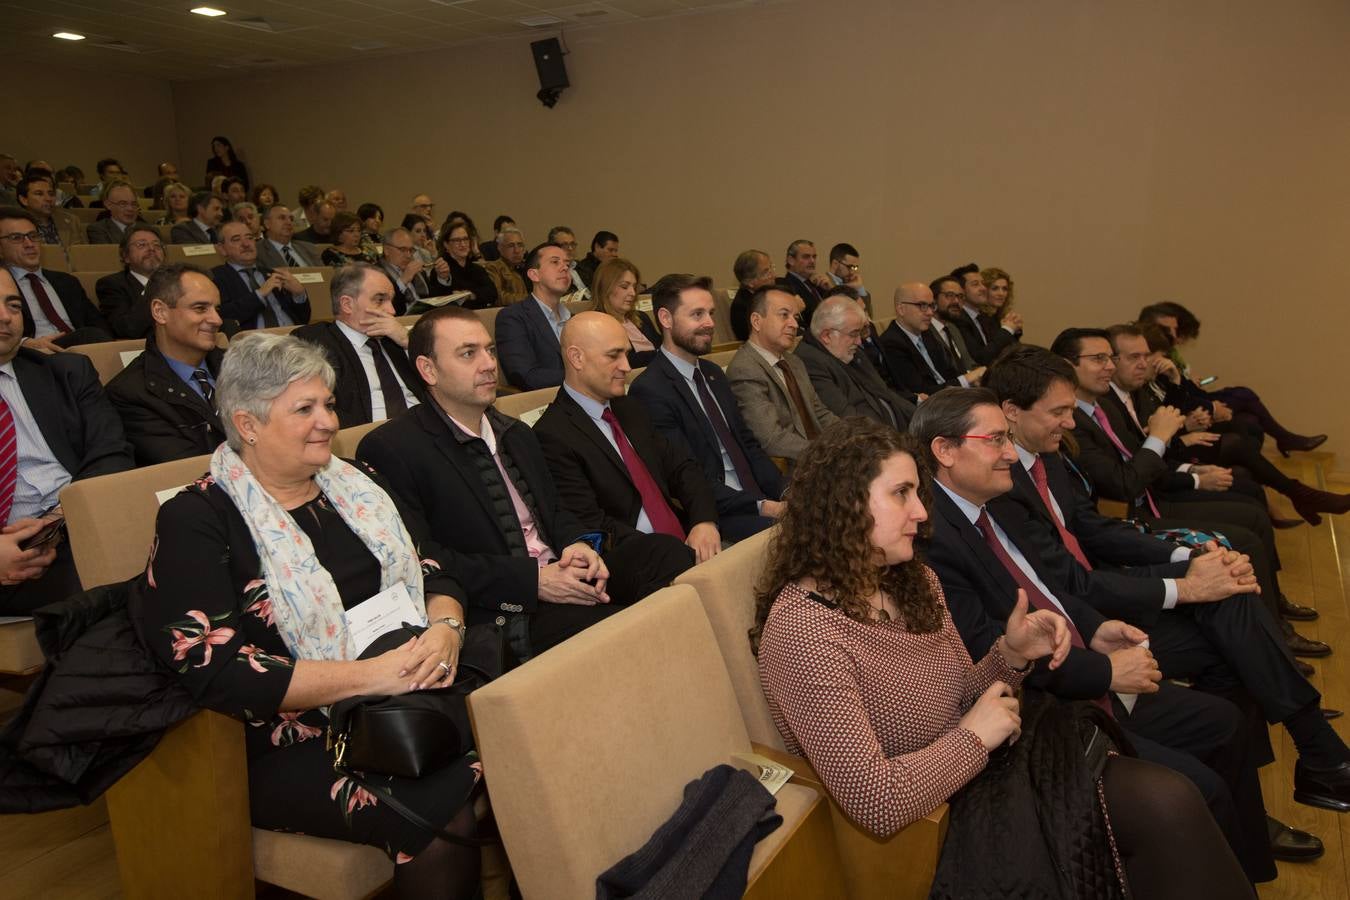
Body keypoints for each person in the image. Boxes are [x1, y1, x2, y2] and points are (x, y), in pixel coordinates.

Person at [754, 417, 1252, 898]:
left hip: (994, 764)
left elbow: (962, 694)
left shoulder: (910, 583)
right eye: (900, 493)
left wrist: (1010, 655)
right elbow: (877, 803)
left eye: (916, 493)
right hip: (944, 817)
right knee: (1167, 805)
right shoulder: (805, 634)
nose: (922, 512)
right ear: (843, 506)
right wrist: (974, 737)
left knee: (1174, 800)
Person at [131, 332, 481, 898]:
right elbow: (216, 670)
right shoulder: (197, 519)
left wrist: (446, 628)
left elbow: (431, 569)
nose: (327, 422)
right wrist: (376, 676)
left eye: (329, 405)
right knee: (442, 811)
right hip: (290, 737)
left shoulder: (353, 482)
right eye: (304, 409)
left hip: (407, 690)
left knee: (526, 731)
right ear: (247, 424)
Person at [909, 389, 1281, 884]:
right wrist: (1106, 670)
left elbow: (1055, 585)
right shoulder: (934, 541)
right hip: (1043, 710)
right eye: (995, 439)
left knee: (1226, 721)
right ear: (945, 450)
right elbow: (991, 652)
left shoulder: (998, 502)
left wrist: (1096, 628)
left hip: (1083, 659)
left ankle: (1246, 863)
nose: (1008, 451)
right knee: (1196, 789)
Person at [985, 346, 1350, 841]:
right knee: (1229, 621)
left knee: (1231, 604)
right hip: (1086, 620)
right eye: (1060, 412)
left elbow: (1091, 528)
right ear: (1011, 410)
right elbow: (1070, 582)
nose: (1072, 423)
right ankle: (1313, 756)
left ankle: (1286, 771)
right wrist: (1184, 586)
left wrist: (1188, 562)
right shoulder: (1000, 481)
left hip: (1102, 597)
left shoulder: (1045, 456)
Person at [358, 306, 690, 660]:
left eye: (490, 350)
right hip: (503, 605)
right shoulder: (393, 449)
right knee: (618, 628)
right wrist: (533, 581)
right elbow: (426, 560)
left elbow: (558, 512)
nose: (488, 364)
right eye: (468, 354)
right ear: (428, 369)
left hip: (559, 569)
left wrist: (579, 546)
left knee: (667, 554)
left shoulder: (516, 433)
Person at [1051, 326, 1327, 659]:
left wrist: (1187, 467)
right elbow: (1124, 484)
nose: (1110, 366)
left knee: (1249, 505)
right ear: (1066, 366)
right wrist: (1165, 439)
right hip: (1131, 517)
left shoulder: (1102, 407)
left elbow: (1142, 463)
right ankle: (1273, 640)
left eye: (1111, 358)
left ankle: (1274, 619)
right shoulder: (1077, 419)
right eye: (1101, 359)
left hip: (1146, 500)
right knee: (1243, 536)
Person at [1107, 323, 1350, 526]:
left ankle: (1296, 494)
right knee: (1238, 443)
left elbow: (1170, 417)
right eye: (1136, 357)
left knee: (1245, 433)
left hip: (1170, 459)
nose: (1145, 363)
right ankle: (1298, 493)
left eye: (1146, 356)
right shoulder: (1126, 393)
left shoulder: (1141, 387)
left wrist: (1176, 381)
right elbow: (1151, 443)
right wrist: (1185, 438)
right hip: (1163, 474)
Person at [535, 312, 720, 569]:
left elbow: (683, 467)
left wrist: (703, 522)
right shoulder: (552, 434)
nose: (626, 366)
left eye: (626, 353)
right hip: (634, 561)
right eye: (613, 356)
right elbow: (592, 524)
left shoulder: (628, 408)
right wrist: (670, 552)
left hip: (682, 538)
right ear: (577, 358)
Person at [0, 268, 133, 614]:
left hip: (80, 523)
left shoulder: (67, 372)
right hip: (15, 558)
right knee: (120, 589)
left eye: (13, 305)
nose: (5, 316)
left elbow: (112, 452)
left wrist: (62, 517)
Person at [630, 274, 785, 542]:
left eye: (711, 313)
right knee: (801, 536)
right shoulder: (650, 390)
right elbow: (685, 477)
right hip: (719, 513)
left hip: (760, 497)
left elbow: (748, 445)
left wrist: (786, 492)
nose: (710, 323)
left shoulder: (712, 373)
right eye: (697, 314)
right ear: (666, 319)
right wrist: (764, 507)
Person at [1138, 301, 1327, 456]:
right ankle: (1283, 443)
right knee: (1244, 404)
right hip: (1185, 420)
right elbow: (1170, 402)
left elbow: (1183, 389)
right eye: (1168, 330)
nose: (1174, 336)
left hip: (1190, 408)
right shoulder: (1152, 360)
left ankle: (1270, 462)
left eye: (1175, 330)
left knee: (1250, 419)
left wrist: (1186, 382)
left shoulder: (1168, 356)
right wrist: (1210, 408)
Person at [106, 264, 227, 464]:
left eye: (217, 309)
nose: (217, 319)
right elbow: (188, 469)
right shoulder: (130, 394)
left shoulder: (241, 365)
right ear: (160, 312)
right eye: (200, 308)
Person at [292, 264, 423, 427]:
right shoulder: (314, 341)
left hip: (427, 429)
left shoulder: (397, 339)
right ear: (347, 304)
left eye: (391, 300)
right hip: (368, 438)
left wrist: (408, 342)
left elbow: (444, 382)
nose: (392, 310)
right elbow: (321, 410)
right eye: (380, 300)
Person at [726, 285, 838, 463]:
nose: (794, 324)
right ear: (756, 321)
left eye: (795, 317)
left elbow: (820, 413)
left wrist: (853, 435)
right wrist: (825, 453)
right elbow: (771, 439)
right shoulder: (745, 369)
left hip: (821, 456)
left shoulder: (794, 362)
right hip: (797, 467)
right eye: (784, 315)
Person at [0, 208, 111, 350]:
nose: (29, 244)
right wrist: (23, 343)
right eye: (16, 238)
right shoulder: (2, 284)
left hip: (79, 349)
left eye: (33, 236)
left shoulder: (67, 282)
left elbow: (98, 324)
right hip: (32, 353)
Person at [798, 295, 915, 429]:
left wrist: (923, 419)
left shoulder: (850, 351)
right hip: (875, 441)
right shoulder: (811, 363)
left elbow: (886, 393)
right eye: (853, 334)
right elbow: (848, 419)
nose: (859, 342)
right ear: (827, 336)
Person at [879, 282, 986, 398]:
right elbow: (920, 392)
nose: (930, 312)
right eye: (922, 306)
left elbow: (949, 372)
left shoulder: (927, 334)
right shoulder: (891, 343)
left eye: (932, 306)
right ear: (901, 309)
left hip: (950, 398)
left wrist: (971, 379)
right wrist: (966, 380)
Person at [495, 242, 572, 390]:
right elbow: (526, 376)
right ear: (534, 275)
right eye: (555, 262)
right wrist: (582, 378)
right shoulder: (513, 318)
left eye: (567, 264)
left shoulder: (575, 319)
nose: (565, 268)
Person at [212, 221, 311, 330]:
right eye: (236, 239)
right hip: (254, 341)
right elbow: (222, 316)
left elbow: (303, 319)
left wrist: (299, 294)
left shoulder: (273, 274)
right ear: (222, 249)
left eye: (249, 238)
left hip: (292, 335)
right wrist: (260, 294)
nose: (246, 244)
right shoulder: (216, 277)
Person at [96, 224, 164, 339]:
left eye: (157, 245)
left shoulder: (177, 281)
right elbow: (127, 329)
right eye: (142, 245)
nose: (152, 249)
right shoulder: (111, 284)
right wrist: (152, 288)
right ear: (125, 256)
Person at [943, 263, 1019, 365]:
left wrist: (1013, 330)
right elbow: (981, 358)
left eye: (983, 283)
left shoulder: (982, 317)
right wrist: (1007, 329)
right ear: (961, 291)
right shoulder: (958, 319)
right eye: (975, 284)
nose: (983, 288)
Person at [590, 258, 660, 368]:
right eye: (624, 286)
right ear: (605, 288)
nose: (632, 293)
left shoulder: (642, 317)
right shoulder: (596, 326)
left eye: (634, 287)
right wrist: (657, 354)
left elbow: (664, 349)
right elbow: (623, 362)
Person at [428, 221, 497, 309]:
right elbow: (439, 301)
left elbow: (492, 293)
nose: (463, 244)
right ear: (446, 245)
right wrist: (443, 279)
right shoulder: (440, 270)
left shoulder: (477, 269)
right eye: (457, 240)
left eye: (465, 239)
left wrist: (470, 295)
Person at [17, 173, 84, 250]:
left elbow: (84, 255)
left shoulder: (72, 221)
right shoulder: (15, 226)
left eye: (51, 194)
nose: (48, 199)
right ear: (24, 200)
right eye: (39, 194)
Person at [930, 275, 980, 372]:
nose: (956, 301)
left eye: (960, 296)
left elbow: (969, 363)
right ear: (933, 299)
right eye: (950, 295)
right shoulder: (924, 331)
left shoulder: (953, 328)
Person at [776, 239, 831, 323]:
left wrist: (829, 290)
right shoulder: (785, 287)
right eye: (806, 257)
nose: (812, 261)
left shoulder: (816, 284)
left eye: (814, 257)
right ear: (791, 260)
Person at [378, 227, 429, 315]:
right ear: (386, 250)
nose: (408, 255)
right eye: (403, 250)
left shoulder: (415, 269)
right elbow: (385, 308)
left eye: (411, 250)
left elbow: (432, 297)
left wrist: (441, 277)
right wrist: (403, 281)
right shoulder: (377, 273)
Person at [729, 249, 775, 341]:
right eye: (766, 272)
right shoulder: (742, 307)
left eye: (771, 268)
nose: (773, 275)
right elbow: (764, 336)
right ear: (749, 282)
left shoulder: (767, 295)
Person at [257, 205, 322, 269]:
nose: (289, 222)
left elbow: (325, 274)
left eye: (291, 219)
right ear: (267, 224)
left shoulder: (309, 248)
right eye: (282, 218)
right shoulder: (258, 251)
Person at [482, 226, 528, 306]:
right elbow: (498, 297)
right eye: (511, 246)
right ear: (500, 248)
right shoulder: (493, 268)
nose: (516, 250)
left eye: (520, 245)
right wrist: (530, 298)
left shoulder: (524, 269)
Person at [545, 226, 588, 299]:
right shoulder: (550, 272)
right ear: (552, 247)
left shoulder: (584, 267)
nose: (570, 248)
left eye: (572, 244)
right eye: (565, 245)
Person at [826, 242, 871, 311]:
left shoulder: (852, 285)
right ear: (835, 264)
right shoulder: (823, 284)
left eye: (855, 267)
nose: (853, 272)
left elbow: (867, 315)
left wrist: (860, 288)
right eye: (850, 267)